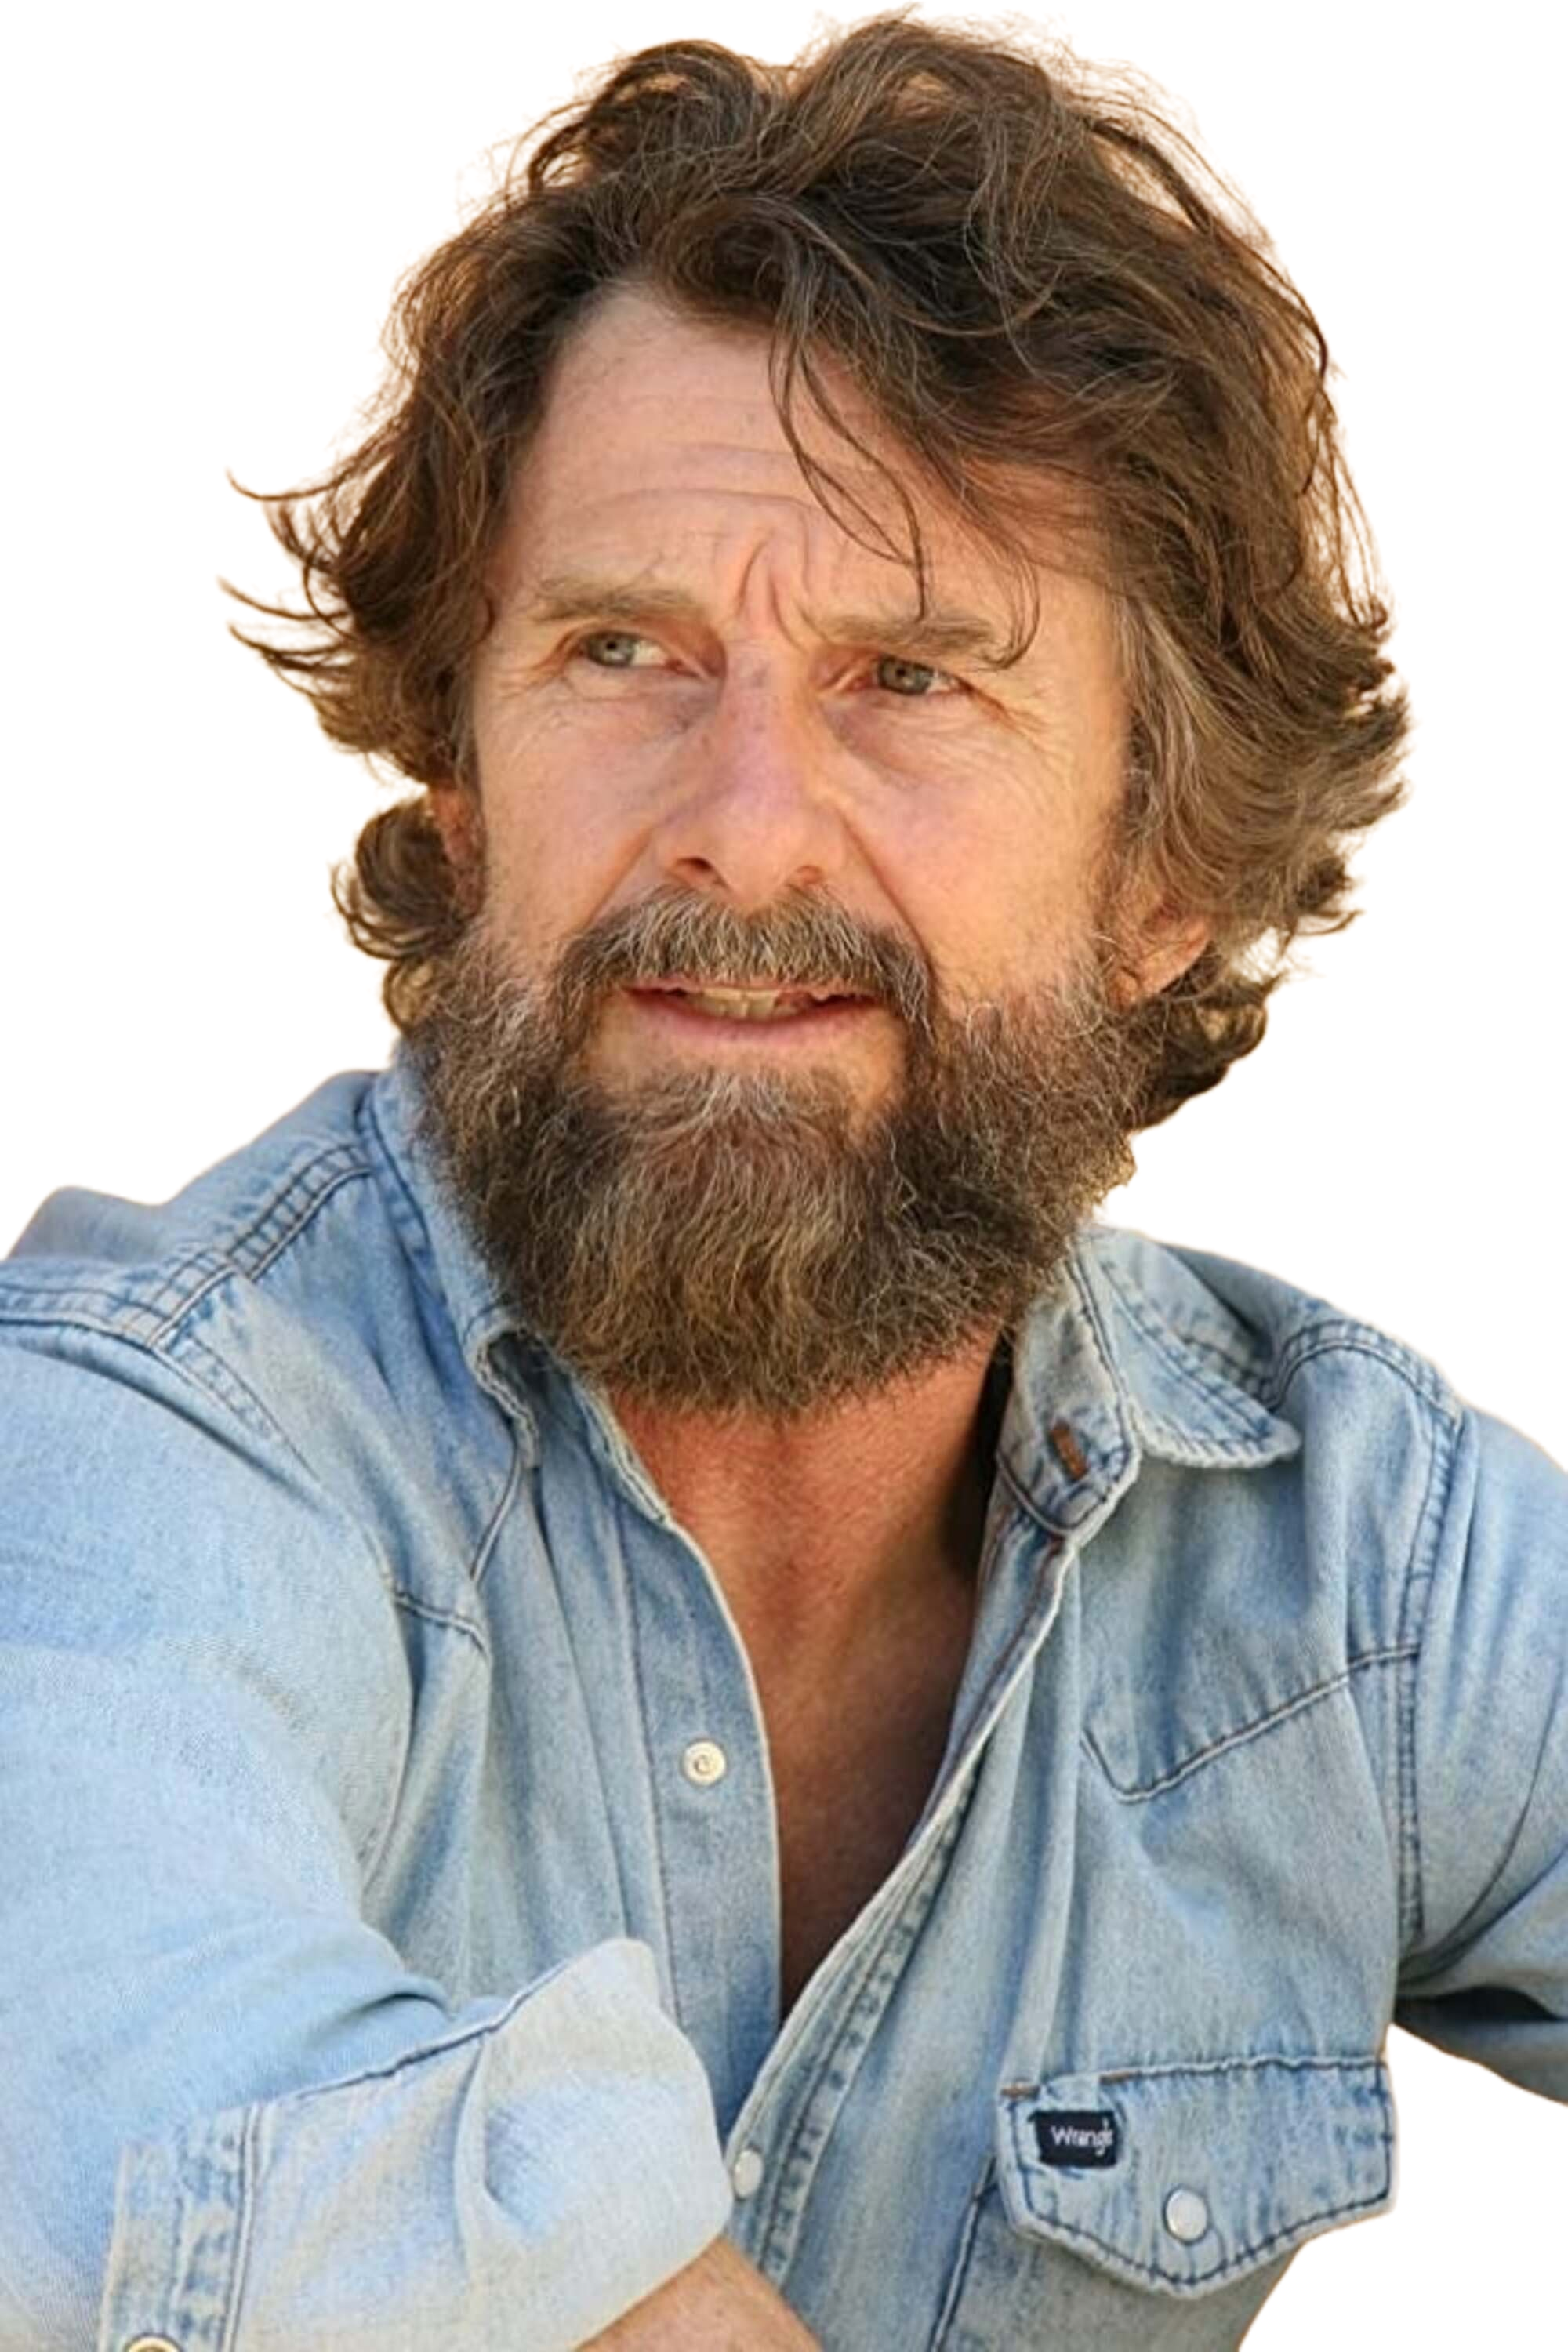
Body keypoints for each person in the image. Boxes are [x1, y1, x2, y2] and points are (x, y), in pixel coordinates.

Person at [2, 11, 1560, 2350]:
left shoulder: (1365, 1560)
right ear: (459, 786)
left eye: (908, 678)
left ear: (1164, 868)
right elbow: (144, 2137)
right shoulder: (143, 1441)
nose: (742, 826)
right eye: (623, 649)